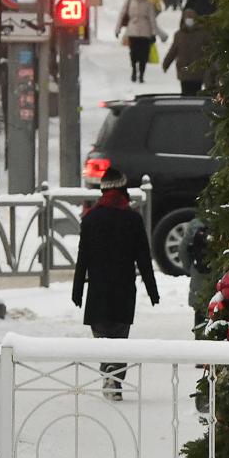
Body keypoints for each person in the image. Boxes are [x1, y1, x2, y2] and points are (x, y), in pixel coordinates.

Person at [72, 169, 159, 399]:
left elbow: (84, 257)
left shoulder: (90, 219)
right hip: (123, 288)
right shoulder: (133, 219)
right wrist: (153, 291)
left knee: (102, 336)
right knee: (120, 337)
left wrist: (77, 289)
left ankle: (107, 370)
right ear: (123, 191)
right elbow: (143, 257)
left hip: (98, 289)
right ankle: (116, 380)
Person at [115, 0, 164, 84]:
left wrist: (154, 33)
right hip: (133, 31)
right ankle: (134, 70)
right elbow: (122, 14)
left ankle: (141, 74)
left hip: (145, 32)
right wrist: (117, 29)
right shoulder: (130, 0)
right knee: (133, 53)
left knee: (144, 55)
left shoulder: (148, 3)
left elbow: (152, 19)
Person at [163, 8, 211, 95]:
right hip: (186, 70)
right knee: (187, 93)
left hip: (196, 71)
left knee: (193, 93)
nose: (189, 22)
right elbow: (173, 51)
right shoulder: (179, 35)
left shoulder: (203, 34)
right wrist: (166, 63)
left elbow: (210, 50)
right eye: (188, 19)